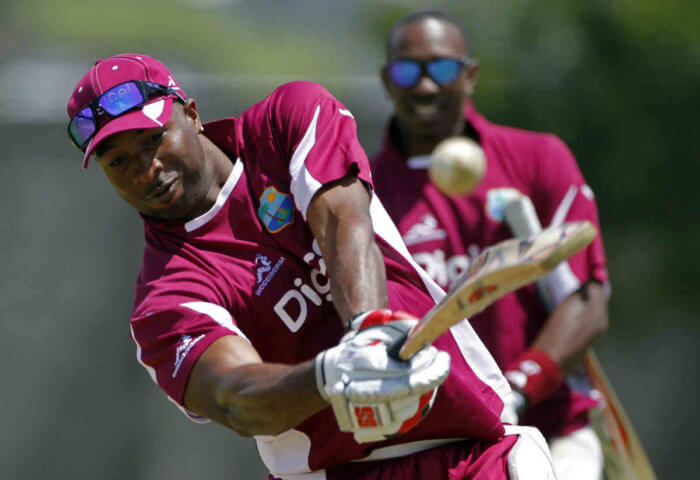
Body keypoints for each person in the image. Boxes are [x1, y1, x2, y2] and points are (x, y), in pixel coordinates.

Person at [66, 53, 557, 480]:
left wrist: (368, 331)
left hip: (475, 453)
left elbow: (342, 221)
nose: (144, 169)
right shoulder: (164, 299)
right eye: (118, 161)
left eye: (152, 140)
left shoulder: (287, 120)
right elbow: (237, 396)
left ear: (191, 114)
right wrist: (332, 375)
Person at [371, 11, 610, 480]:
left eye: (441, 68)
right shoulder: (364, 193)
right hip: (432, 449)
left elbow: (587, 302)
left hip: (549, 428)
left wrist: (516, 389)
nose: (424, 86)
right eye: (407, 70)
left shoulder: (537, 159)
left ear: (469, 74)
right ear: (386, 79)